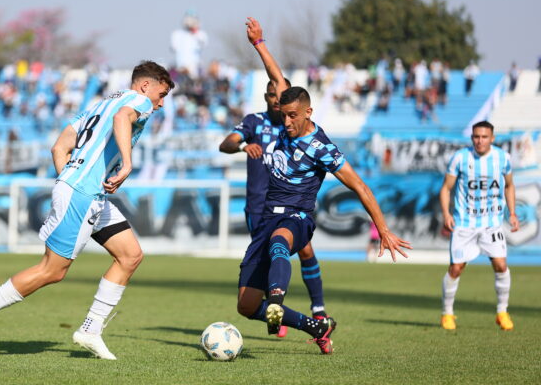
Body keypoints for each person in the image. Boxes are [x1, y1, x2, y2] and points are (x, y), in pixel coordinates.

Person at [0, 61, 174, 360]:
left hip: (85, 192)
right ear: (145, 85)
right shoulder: (136, 101)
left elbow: (59, 147)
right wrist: (126, 163)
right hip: (81, 194)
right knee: (52, 270)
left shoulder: (97, 105)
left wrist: (69, 180)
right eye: (161, 94)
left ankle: (90, 329)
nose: (160, 103)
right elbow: (123, 118)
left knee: (130, 255)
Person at [235, 18, 411, 354]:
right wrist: (259, 43)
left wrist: (384, 229)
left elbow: (359, 185)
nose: (285, 122)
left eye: (291, 116)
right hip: (266, 217)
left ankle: (277, 299)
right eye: (282, 114)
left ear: (307, 111)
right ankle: (316, 325)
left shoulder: (322, 148)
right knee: (245, 306)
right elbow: (276, 76)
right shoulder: (283, 115)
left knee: (279, 242)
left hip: (297, 219)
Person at [219, 81, 330, 339]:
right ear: (266, 96)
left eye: (279, 96)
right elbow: (225, 144)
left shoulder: (291, 125)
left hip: (291, 207)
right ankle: (278, 312)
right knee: (267, 264)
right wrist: (242, 146)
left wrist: (261, 46)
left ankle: (317, 308)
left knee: (301, 248)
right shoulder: (254, 123)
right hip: (259, 207)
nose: (275, 101)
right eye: (271, 96)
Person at [439, 121, 519, 331]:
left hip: (491, 224)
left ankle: (502, 312)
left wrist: (511, 213)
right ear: (472, 137)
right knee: (456, 269)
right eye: (476, 136)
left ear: (492, 138)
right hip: (464, 224)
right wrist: (447, 214)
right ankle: (447, 314)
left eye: (484, 137)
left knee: (501, 266)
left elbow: (509, 185)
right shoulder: (460, 158)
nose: (479, 141)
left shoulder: (502, 158)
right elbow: (446, 189)